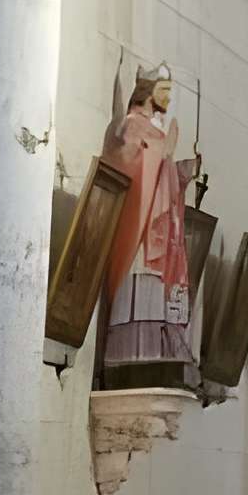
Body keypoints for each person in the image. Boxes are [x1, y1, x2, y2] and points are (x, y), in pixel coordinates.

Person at [97, 64, 196, 373]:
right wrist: (163, 151)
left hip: (159, 234)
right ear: (147, 92)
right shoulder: (133, 125)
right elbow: (127, 162)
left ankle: (153, 357)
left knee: (155, 302)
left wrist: (182, 170)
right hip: (139, 234)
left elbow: (164, 185)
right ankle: (130, 361)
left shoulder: (154, 131)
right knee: (136, 296)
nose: (168, 98)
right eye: (164, 90)